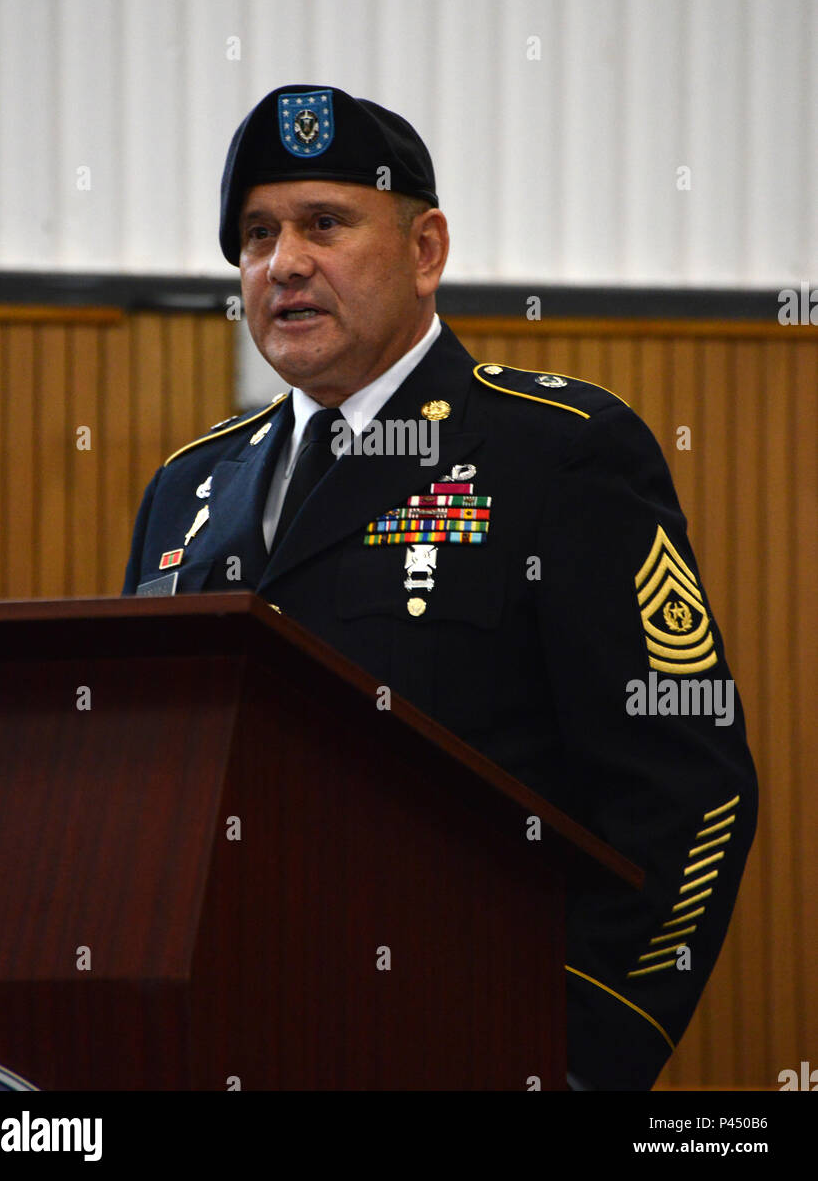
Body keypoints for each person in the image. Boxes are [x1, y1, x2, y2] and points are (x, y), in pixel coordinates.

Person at [123, 84, 758, 1090]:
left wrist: (574, 1050)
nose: (281, 264)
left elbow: (691, 789)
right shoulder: (186, 492)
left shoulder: (556, 455)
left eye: (323, 224)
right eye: (254, 235)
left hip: (467, 1049)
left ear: (426, 250)